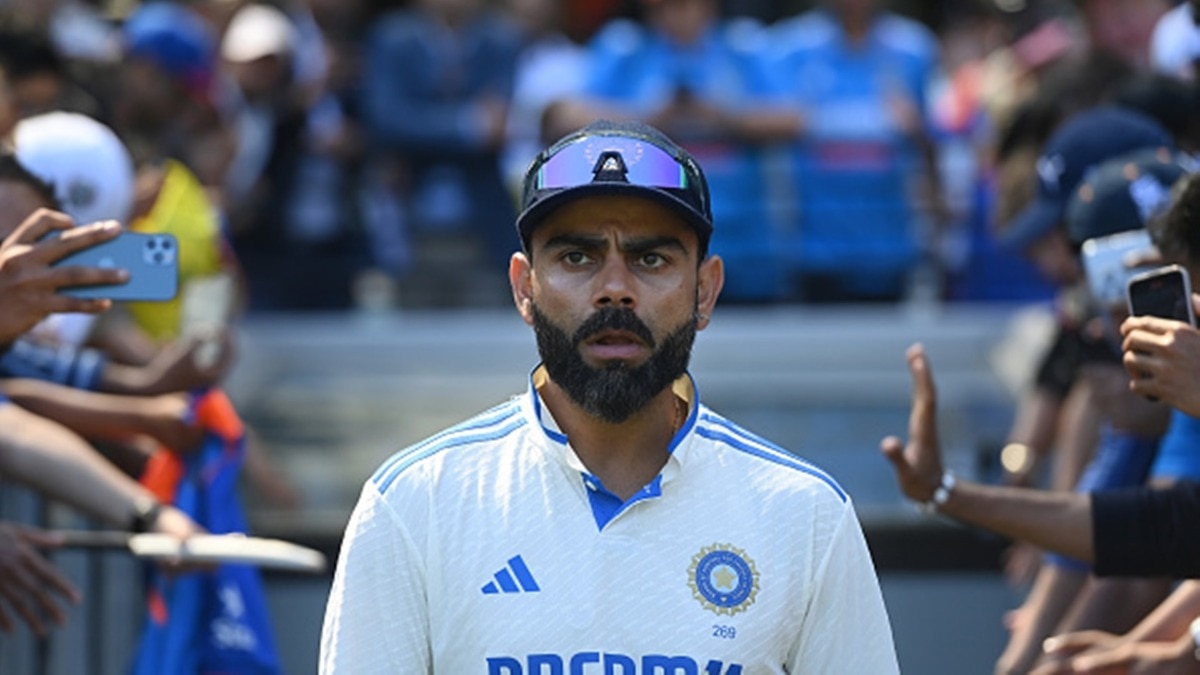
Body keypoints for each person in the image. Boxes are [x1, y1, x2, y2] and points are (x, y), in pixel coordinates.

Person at [320, 119, 898, 672]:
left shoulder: (806, 515)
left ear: (706, 289)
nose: (615, 289)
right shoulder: (414, 505)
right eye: (577, 257)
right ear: (525, 288)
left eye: (651, 258)